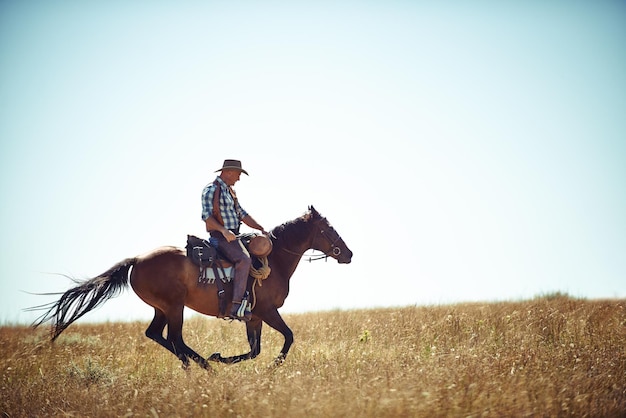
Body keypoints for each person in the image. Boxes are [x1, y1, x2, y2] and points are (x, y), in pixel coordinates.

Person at [201, 159, 267, 321]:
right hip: (221, 237)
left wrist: (260, 229)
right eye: (238, 174)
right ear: (228, 172)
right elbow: (206, 217)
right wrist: (224, 231)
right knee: (244, 260)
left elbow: (242, 215)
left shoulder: (230, 192)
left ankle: (248, 298)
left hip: (234, 235)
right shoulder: (211, 190)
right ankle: (236, 306)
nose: (238, 178)